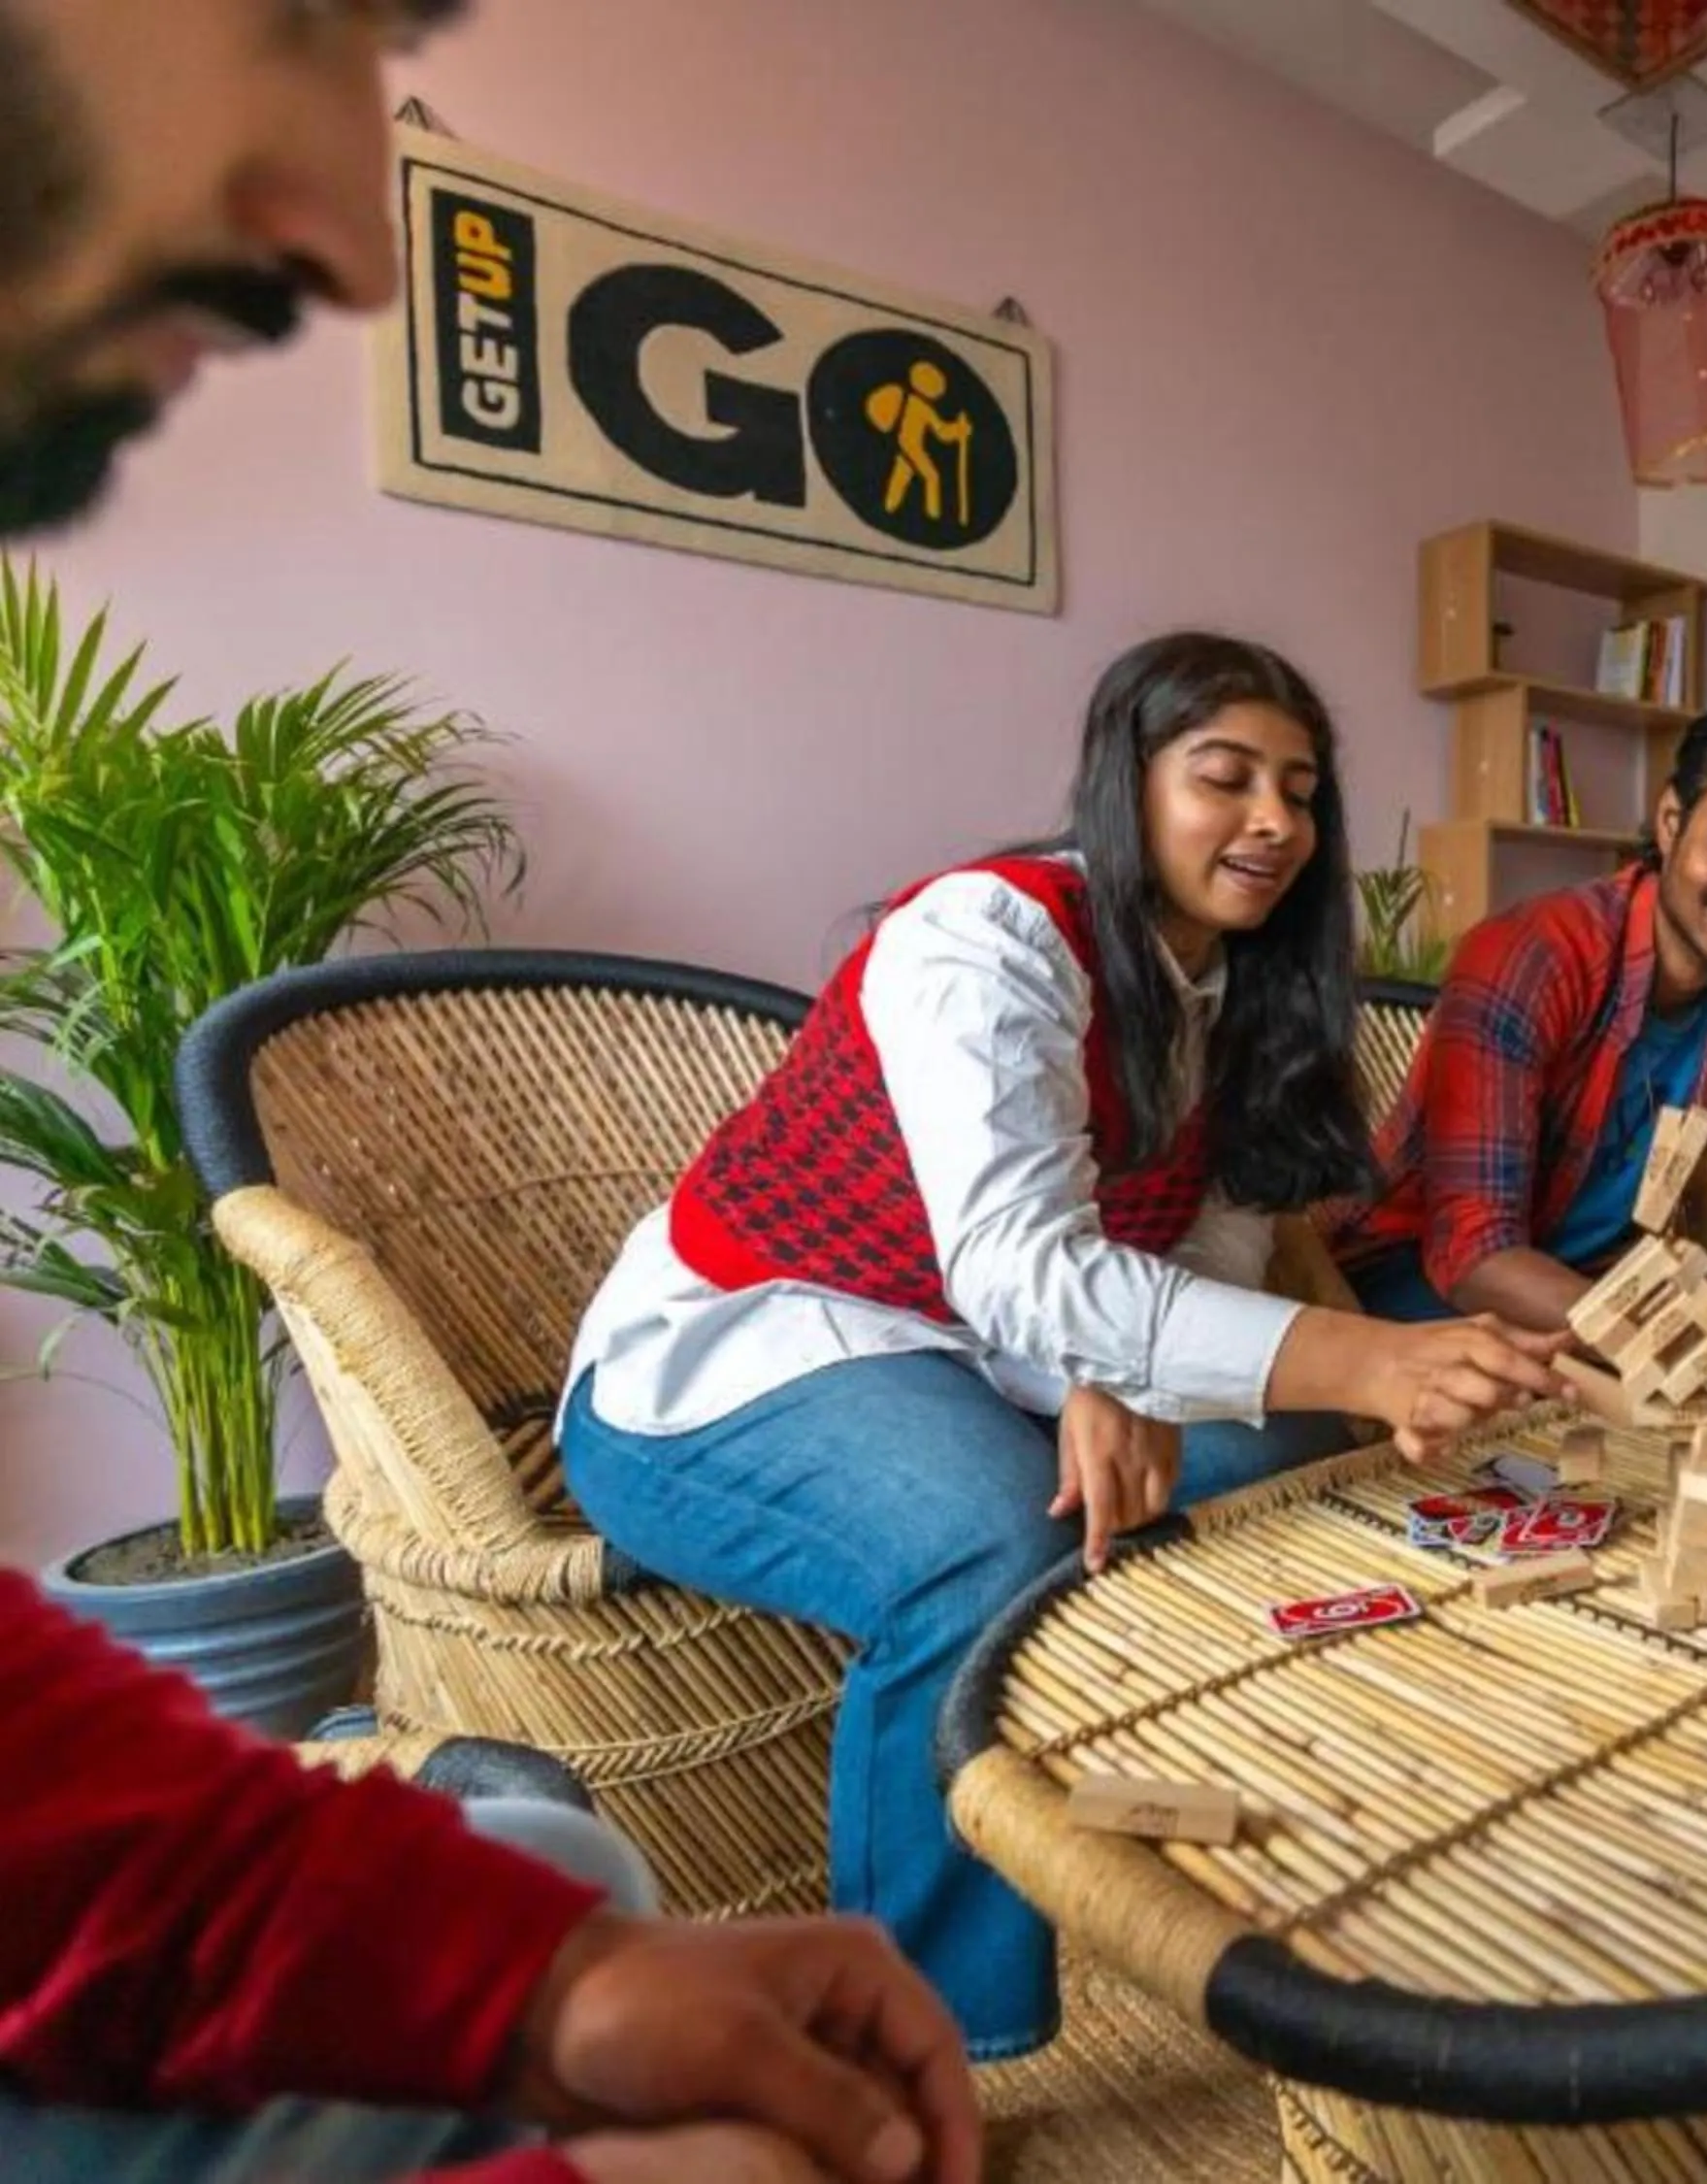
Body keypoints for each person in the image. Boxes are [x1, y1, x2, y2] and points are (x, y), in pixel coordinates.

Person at [0, 5, 977, 2177]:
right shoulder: (988, 942)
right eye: (300, 19)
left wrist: (539, 1990)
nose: (361, 238)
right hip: (708, 1376)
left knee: (572, 1893)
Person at [557, 629, 1570, 2058]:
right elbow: (1023, 1266)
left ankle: (1204, 1830)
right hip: (741, 1352)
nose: (1274, 821)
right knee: (989, 1536)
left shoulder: (1236, 997)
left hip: (980, 1353)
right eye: (1226, 778)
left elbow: (1190, 1256)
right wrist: (1364, 1356)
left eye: (1301, 791)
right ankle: (914, 2038)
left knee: (1269, 1453)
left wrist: (1112, 1373)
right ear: (1126, 781)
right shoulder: (985, 939)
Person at [1331, 689, 1707, 1333]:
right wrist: (1658, 1344)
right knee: (1697, 1376)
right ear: (1669, 821)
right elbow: (1474, 1251)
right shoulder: (1529, 956)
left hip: (1598, 1271)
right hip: (1414, 1276)